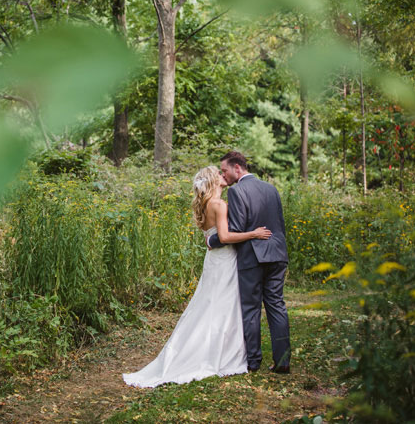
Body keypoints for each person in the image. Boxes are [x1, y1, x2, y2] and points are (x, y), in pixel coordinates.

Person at [123, 166, 271, 388]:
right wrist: (254, 233)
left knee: (209, 304)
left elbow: (212, 238)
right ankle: (219, 354)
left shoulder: (204, 205)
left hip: (214, 260)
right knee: (223, 305)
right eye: (219, 174)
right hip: (224, 260)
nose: (224, 176)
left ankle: (216, 348)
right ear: (213, 180)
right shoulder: (219, 205)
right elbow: (225, 236)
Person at [207, 151, 291, 373]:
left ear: (237, 168)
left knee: (251, 309)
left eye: (224, 170)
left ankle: (253, 362)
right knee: (276, 306)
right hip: (277, 254)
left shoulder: (237, 191)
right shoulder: (271, 188)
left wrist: (211, 239)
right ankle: (282, 362)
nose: (223, 175)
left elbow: (234, 229)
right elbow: (280, 224)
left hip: (253, 257)